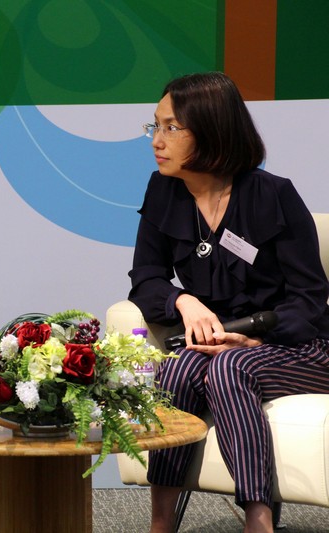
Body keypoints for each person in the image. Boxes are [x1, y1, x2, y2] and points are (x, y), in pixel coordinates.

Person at [128, 71, 329, 533]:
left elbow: (309, 299)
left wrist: (253, 339)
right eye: (154, 126)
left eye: (171, 128)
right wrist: (184, 302)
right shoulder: (164, 191)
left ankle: (258, 520)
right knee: (176, 367)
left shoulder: (272, 195)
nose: (157, 140)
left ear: (213, 130)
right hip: (219, 344)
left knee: (229, 367)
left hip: (298, 347)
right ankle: (161, 521)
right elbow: (145, 278)